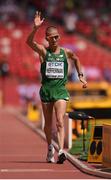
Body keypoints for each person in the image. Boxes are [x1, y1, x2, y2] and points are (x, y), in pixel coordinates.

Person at [26, 11, 87, 164]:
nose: (55, 39)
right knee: (47, 124)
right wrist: (35, 28)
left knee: (60, 121)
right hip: (46, 91)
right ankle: (49, 147)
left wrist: (80, 75)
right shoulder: (43, 51)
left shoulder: (66, 52)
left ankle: (60, 151)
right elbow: (29, 42)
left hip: (60, 91)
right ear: (47, 38)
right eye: (52, 37)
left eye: (57, 36)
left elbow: (77, 58)